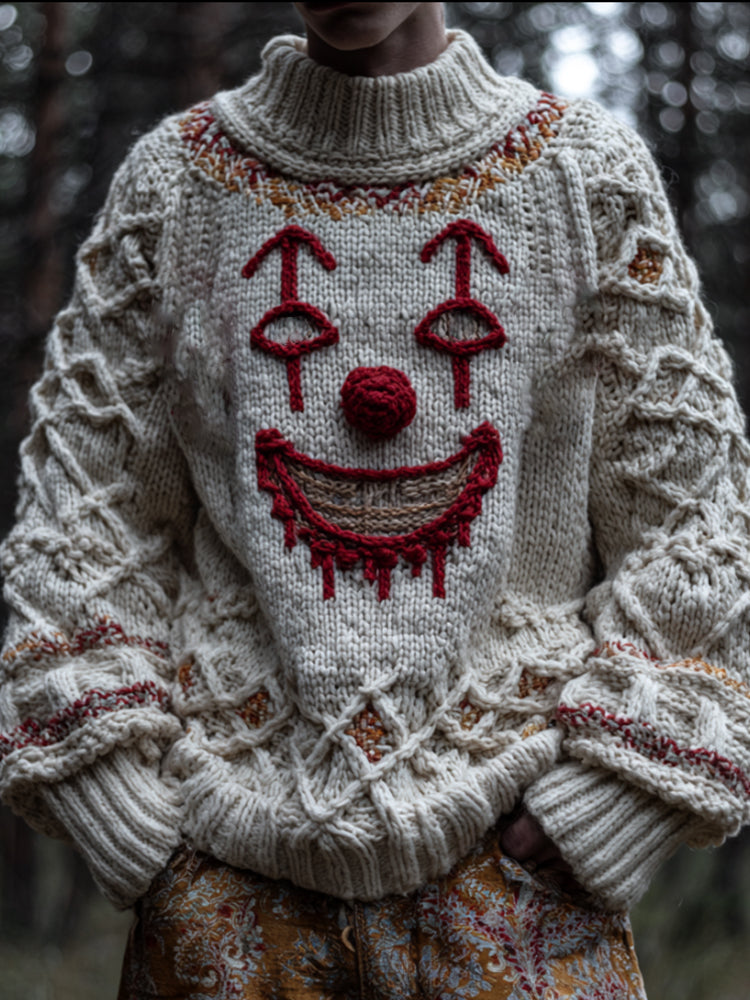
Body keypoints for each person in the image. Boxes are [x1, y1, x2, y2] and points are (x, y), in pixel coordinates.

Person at [1, 2, 748, 996]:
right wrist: (111, 790)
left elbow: (693, 513)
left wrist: (620, 791)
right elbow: (84, 510)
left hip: (518, 872)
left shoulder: (585, 176)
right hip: (223, 885)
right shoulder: (177, 186)